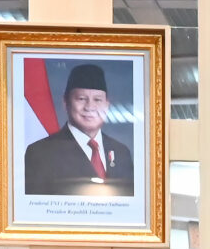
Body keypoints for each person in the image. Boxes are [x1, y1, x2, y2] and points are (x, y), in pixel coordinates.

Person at [21, 63, 135, 195]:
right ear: (66, 102)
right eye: (81, 99)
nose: (90, 107)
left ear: (107, 105)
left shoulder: (122, 152)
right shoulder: (40, 153)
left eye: (97, 100)